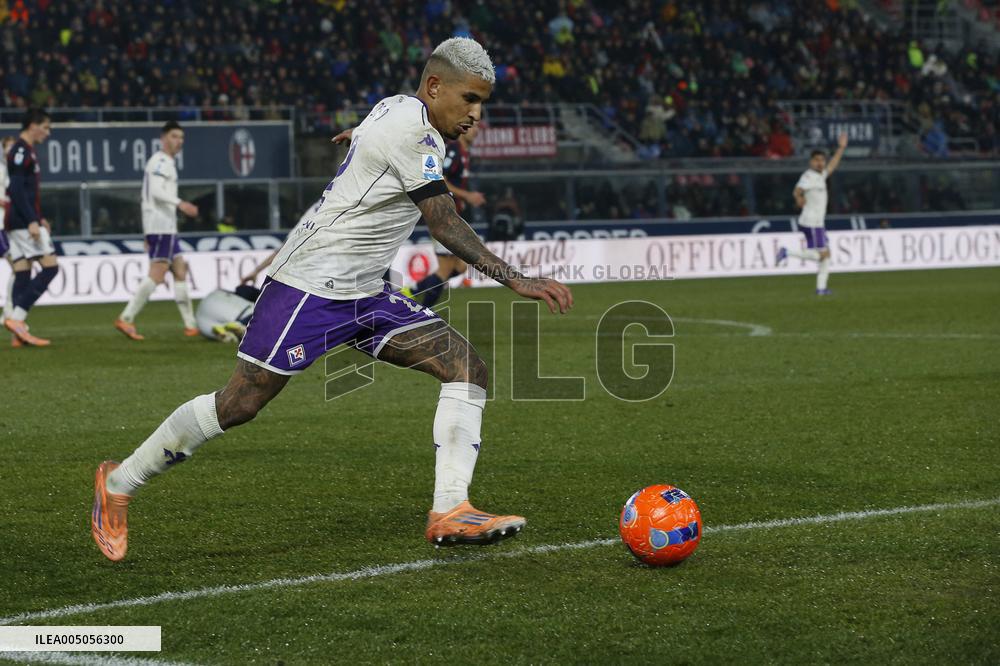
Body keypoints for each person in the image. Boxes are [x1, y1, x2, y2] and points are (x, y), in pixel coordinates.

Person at [91, 37, 573, 562]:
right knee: (241, 403)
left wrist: (360, 141)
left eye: (482, 103)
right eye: (470, 99)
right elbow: (443, 223)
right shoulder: (412, 132)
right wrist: (515, 278)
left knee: (465, 367)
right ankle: (118, 482)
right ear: (435, 87)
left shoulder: (398, 109)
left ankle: (450, 508)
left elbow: (372, 130)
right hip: (310, 286)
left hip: (365, 293)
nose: (476, 114)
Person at [114, 121, 200, 340]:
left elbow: (146, 196)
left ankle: (191, 325)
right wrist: (181, 204)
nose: (179, 141)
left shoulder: (165, 162)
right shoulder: (160, 161)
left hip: (163, 227)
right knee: (158, 272)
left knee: (179, 270)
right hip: (161, 226)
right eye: (174, 136)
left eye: (181, 137)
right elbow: (155, 192)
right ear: (163, 138)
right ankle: (126, 318)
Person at [411, 122, 486, 307]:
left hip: (454, 216)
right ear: (463, 130)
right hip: (443, 215)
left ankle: (413, 291)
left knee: (460, 266)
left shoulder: (465, 152)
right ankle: (422, 312)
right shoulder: (453, 151)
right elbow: (440, 178)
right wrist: (467, 195)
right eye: (472, 126)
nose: (476, 130)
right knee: (445, 269)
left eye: (478, 127)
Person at [3, 108, 57, 347]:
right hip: (22, 221)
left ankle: (17, 335)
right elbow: (15, 190)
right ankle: (17, 319)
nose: (48, 132)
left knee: (23, 272)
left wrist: (39, 216)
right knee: (50, 268)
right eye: (45, 127)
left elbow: (27, 191)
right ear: (33, 125)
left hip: (19, 220)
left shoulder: (26, 151)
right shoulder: (21, 151)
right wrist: (32, 220)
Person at [776, 133, 848, 296]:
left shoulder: (820, 175)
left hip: (816, 222)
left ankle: (821, 288)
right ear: (811, 162)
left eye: (822, 160)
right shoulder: (808, 176)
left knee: (826, 255)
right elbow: (797, 190)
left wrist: (841, 148)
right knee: (822, 255)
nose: (820, 163)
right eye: (816, 160)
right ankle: (786, 252)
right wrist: (798, 198)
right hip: (811, 222)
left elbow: (832, 165)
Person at [1, 135, 18, 345]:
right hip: (0, 227)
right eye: (8, 147)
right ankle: (8, 311)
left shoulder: (13, 171)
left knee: (18, 268)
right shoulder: (2, 170)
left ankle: (8, 311)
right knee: (18, 267)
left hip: (6, 227)